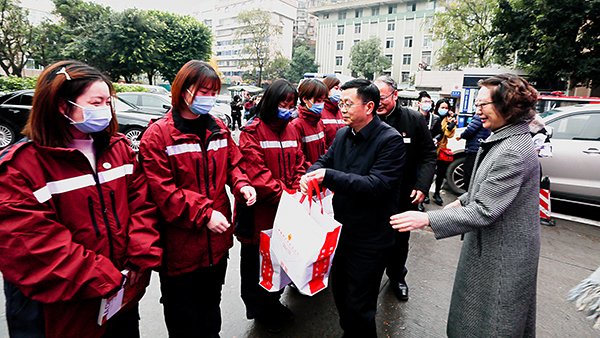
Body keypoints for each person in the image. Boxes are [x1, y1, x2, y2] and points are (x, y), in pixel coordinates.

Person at [0, 60, 162, 338]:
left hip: (119, 295)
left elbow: (142, 205)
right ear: (62, 106)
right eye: (96, 102)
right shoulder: (20, 166)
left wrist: (139, 258)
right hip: (57, 309)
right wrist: (106, 278)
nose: (105, 110)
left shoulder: (118, 149)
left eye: (108, 102)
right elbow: (33, 245)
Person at [391, 74, 541, 337]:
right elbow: (487, 188)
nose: (476, 110)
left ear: (507, 106)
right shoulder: (504, 139)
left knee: (493, 322)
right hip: (493, 246)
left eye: (483, 105)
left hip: (502, 254)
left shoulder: (512, 150)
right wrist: (461, 200)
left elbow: (485, 209)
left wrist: (426, 220)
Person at [138, 60, 256, 338]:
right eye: (203, 91)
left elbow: (233, 164)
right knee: (183, 315)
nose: (210, 98)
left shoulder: (217, 127)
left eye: (213, 92)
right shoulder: (159, 135)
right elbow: (163, 191)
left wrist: (242, 184)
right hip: (180, 246)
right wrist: (205, 214)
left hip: (216, 243)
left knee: (210, 308)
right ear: (183, 90)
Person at [300, 79, 405, 338]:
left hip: (371, 236)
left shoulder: (389, 140)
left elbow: (377, 185)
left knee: (360, 304)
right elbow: (325, 161)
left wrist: (328, 176)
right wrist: (311, 174)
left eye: (348, 104)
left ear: (369, 107)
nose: (342, 109)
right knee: (342, 295)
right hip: (341, 231)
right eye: (340, 103)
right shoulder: (344, 134)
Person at [235, 79, 306, 333]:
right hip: (260, 212)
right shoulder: (251, 131)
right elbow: (258, 176)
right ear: (270, 102)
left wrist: (298, 188)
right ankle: (259, 308)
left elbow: (299, 162)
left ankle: (273, 302)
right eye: (283, 104)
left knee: (279, 260)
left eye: (291, 104)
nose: (287, 109)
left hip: (286, 210)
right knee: (256, 264)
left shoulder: (291, 130)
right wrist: (288, 195)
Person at [373, 76, 437, 302]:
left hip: (403, 194)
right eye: (374, 98)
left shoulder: (414, 119)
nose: (378, 104)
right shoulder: (367, 119)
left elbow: (429, 155)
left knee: (399, 241)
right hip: (373, 194)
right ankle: (370, 278)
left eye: (382, 98)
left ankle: (397, 277)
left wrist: (422, 185)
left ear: (395, 95)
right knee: (372, 238)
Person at [290, 78, 328, 167]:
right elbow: (298, 157)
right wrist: (314, 170)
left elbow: (324, 148)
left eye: (323, 100)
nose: (322, 104)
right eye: (318, 101)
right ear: (305, 99)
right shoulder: (296, 124)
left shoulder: (319, 122)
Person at [417, 90, 441, 208]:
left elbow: (440, 133)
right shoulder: (413, 116)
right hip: (415, 151)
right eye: (425, 101)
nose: (427, 103)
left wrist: (436, 139)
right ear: (419, 103)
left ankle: (422, 197)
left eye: (429, 101)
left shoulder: (435, 118)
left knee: (426, 173)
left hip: (429, 150)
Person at [431, 98, 457, 206]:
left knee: (441, 173)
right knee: (428, 173)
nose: (444, 109)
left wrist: (451, 123)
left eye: (446, 108)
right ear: (437, 108)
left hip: (442, 149)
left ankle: (437, 193)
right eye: (442, 107)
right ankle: (424, 195)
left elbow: (448, 134)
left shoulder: (448, 120)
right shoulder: (431, 118)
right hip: (431, 148)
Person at [456, 113, 491, 191]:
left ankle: (469, 195)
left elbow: (470, 130)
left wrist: (461, 136)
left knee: (468, 173)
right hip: (481, 147)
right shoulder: (489, 115)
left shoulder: (479, 116)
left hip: (474, 148)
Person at [321, 76, 345, 147]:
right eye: (336, 88)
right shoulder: (320, 112)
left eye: (340, 89)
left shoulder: (340, 111)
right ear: (326, 90)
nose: (339, 91)